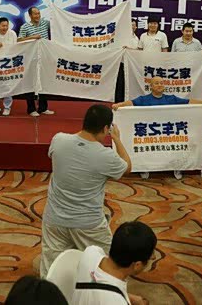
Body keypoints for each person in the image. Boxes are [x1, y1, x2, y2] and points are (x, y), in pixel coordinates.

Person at [40, 104, 132, 278]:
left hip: (54, 219)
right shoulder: (105, 155)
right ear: (105, 128)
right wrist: (117, 140)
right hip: (88, 224)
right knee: (107, 268)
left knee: (52, 270)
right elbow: (127, 167)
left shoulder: (58, 139)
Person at [112, 76, 202, 180]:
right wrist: (119, 105)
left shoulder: (171, 99)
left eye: (161, 83)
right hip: (151, 132)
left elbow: (189, 102)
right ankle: (144, 167)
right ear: (151, 86)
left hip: (168, 132)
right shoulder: (143, 99)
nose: (160, 85)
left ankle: (177, 167)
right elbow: (131, 103)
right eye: (156, 83)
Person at [73, 221, 156, 305]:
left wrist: (129, 297)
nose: (154, 257)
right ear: (137, 265)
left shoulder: (91, 252)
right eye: (151, 255)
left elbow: (99, 288)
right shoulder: (117, 301)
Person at [18, 7, 53, 117]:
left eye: (39, 13)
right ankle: (31, 109)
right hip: (31, 59)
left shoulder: (45, 23)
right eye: (35, 14)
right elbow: (19, 40)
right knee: (30, 84)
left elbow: (57, 24)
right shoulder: (25, 27)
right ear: (30, 15)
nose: (38, 16)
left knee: (44, 83)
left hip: (44, 58)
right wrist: (32, 37)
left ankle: (43, 108)